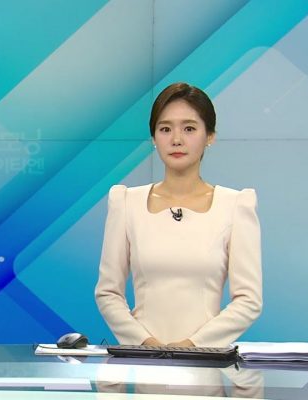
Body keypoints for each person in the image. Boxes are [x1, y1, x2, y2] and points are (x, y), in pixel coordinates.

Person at [95, 82, 262, 348]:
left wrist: (191, 346)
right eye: (165, 129)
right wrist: (145, 343)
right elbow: (108, 293)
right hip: (143, 361)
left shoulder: (235, 205)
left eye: (189, 129)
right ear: (154, 138)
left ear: (210, 136)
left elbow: (248, 300)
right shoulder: (126, 202)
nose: (176, 139)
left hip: (205, 361)